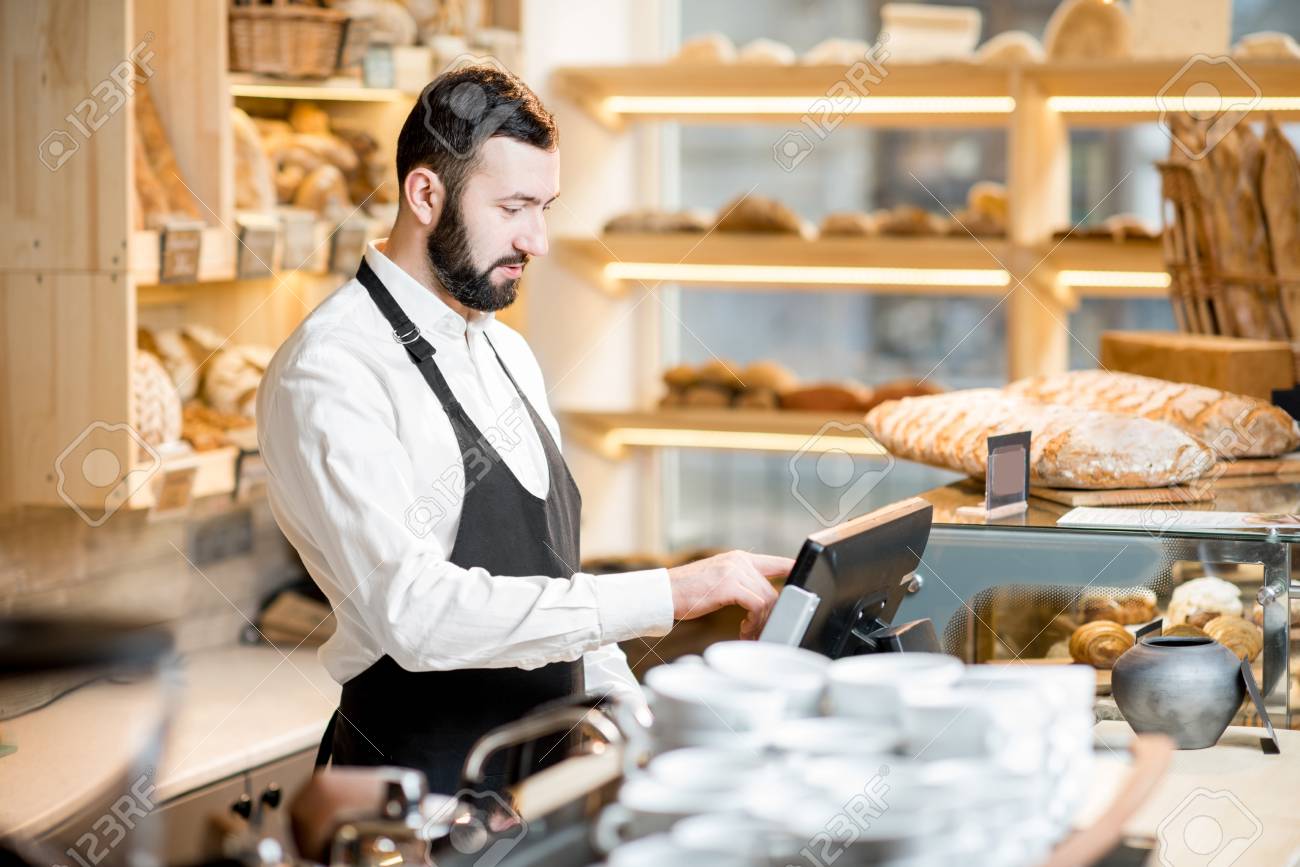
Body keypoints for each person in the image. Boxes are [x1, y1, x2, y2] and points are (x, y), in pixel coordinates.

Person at [257, 64, 792, 794]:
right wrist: (670, 591)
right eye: (513, 207)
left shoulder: (505, 350)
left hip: (542, 792)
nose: (537, 240)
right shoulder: (332, 369)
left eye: (545, 206)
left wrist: (629, 724)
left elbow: (556, 590)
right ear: (424, 194)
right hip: (418, 805)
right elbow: (414, 614)